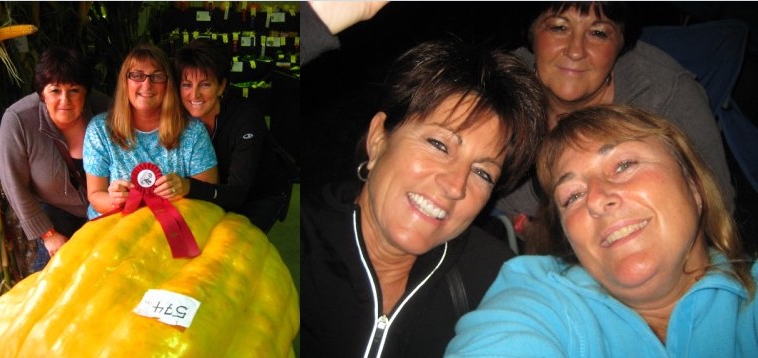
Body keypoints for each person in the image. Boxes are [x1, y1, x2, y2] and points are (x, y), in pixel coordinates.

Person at [301, 39, 547, 358]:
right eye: (439, 145)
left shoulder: (497, 280)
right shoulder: (296, 251)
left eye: (483, 173)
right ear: (378, 139)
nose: (455, 186)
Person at [446, 104, 756, 357]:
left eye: (623, 165)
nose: (595, 199)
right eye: (572, 196)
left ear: (693, 186)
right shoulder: (539, 296)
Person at [495, 2, 735, 224]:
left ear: (622, 43)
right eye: (559, 27)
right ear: (532, 33)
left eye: (598, 33)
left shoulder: (665, 98)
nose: (576, 51)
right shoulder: (499, 88)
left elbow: (716, 207)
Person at [0, 47, 111, 273]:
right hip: (55, 211)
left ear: (86, 92)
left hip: (106, 209)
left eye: (74, 90)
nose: (64, 100)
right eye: (55, 90)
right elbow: (13, 185)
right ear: (41, 93)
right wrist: (48, 235)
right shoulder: (18, 119)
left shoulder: (106, 110)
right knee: (53, 278)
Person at [84, 42, 218, 218]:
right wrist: (114, 199)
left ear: (168, 84)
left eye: (157, 76)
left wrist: (185, 187)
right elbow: (95, 195)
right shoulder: (100, 130)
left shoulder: (192, 131)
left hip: (176, 230)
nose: (147, 84)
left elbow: (209, 194)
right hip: (114, 227)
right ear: (125, 82)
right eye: (137, 75)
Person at [173, 38, 292, 232]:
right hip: (214, 190)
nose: (194, 95)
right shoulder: (180, 117)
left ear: (221, 86)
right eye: (187, 85)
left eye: (205, 85)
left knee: (233, 243)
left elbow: (237, 193)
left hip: (258, 194)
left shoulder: (246, 119)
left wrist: (188, 187)